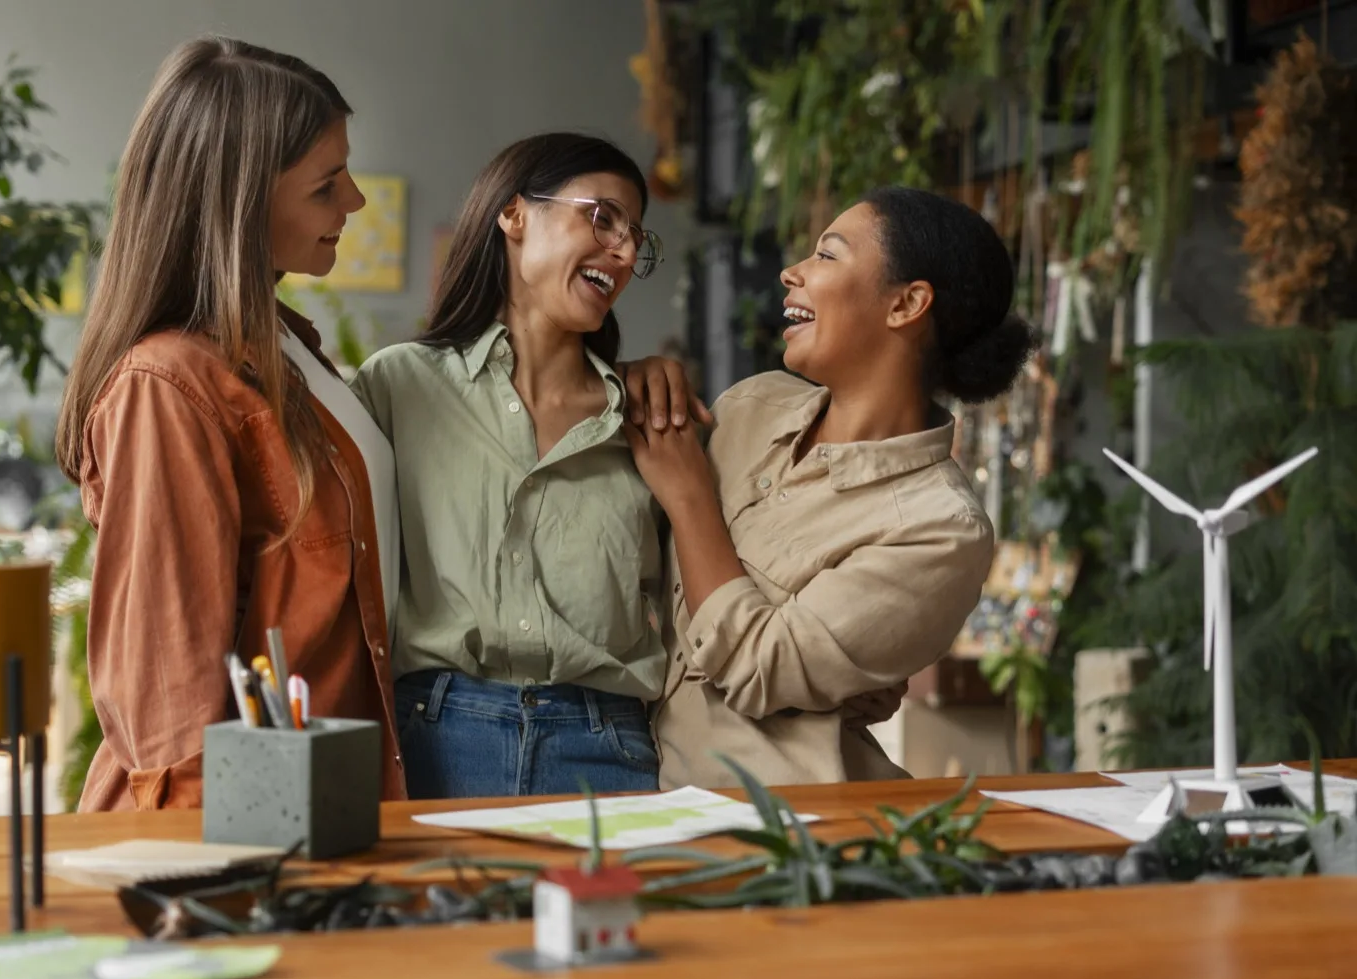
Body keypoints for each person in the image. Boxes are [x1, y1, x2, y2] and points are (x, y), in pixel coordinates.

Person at [55, 36, 406, 810]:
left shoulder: (288, 348)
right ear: (242, 200)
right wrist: (209, 897)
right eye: (326, 185)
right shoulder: (168, 389)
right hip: (245, 830)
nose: (354, 201)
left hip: (326, 805)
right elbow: (168, 704)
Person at [626, 186, 1034, 789]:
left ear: (906, 304)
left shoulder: (940, 528)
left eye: (828, 255)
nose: (791, 272)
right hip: (625, 779)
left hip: (777, 832)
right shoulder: (749, 407)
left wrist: (690, 499)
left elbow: (760, 665)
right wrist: (634, 380)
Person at [351, 133, 701, 799]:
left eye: (635, 237)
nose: (624, 251)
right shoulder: (400, 388)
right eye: (602, 217)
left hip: (606, 746)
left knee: (610, 910)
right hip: (433, 741)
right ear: (513, 215)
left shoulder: (648, 415)